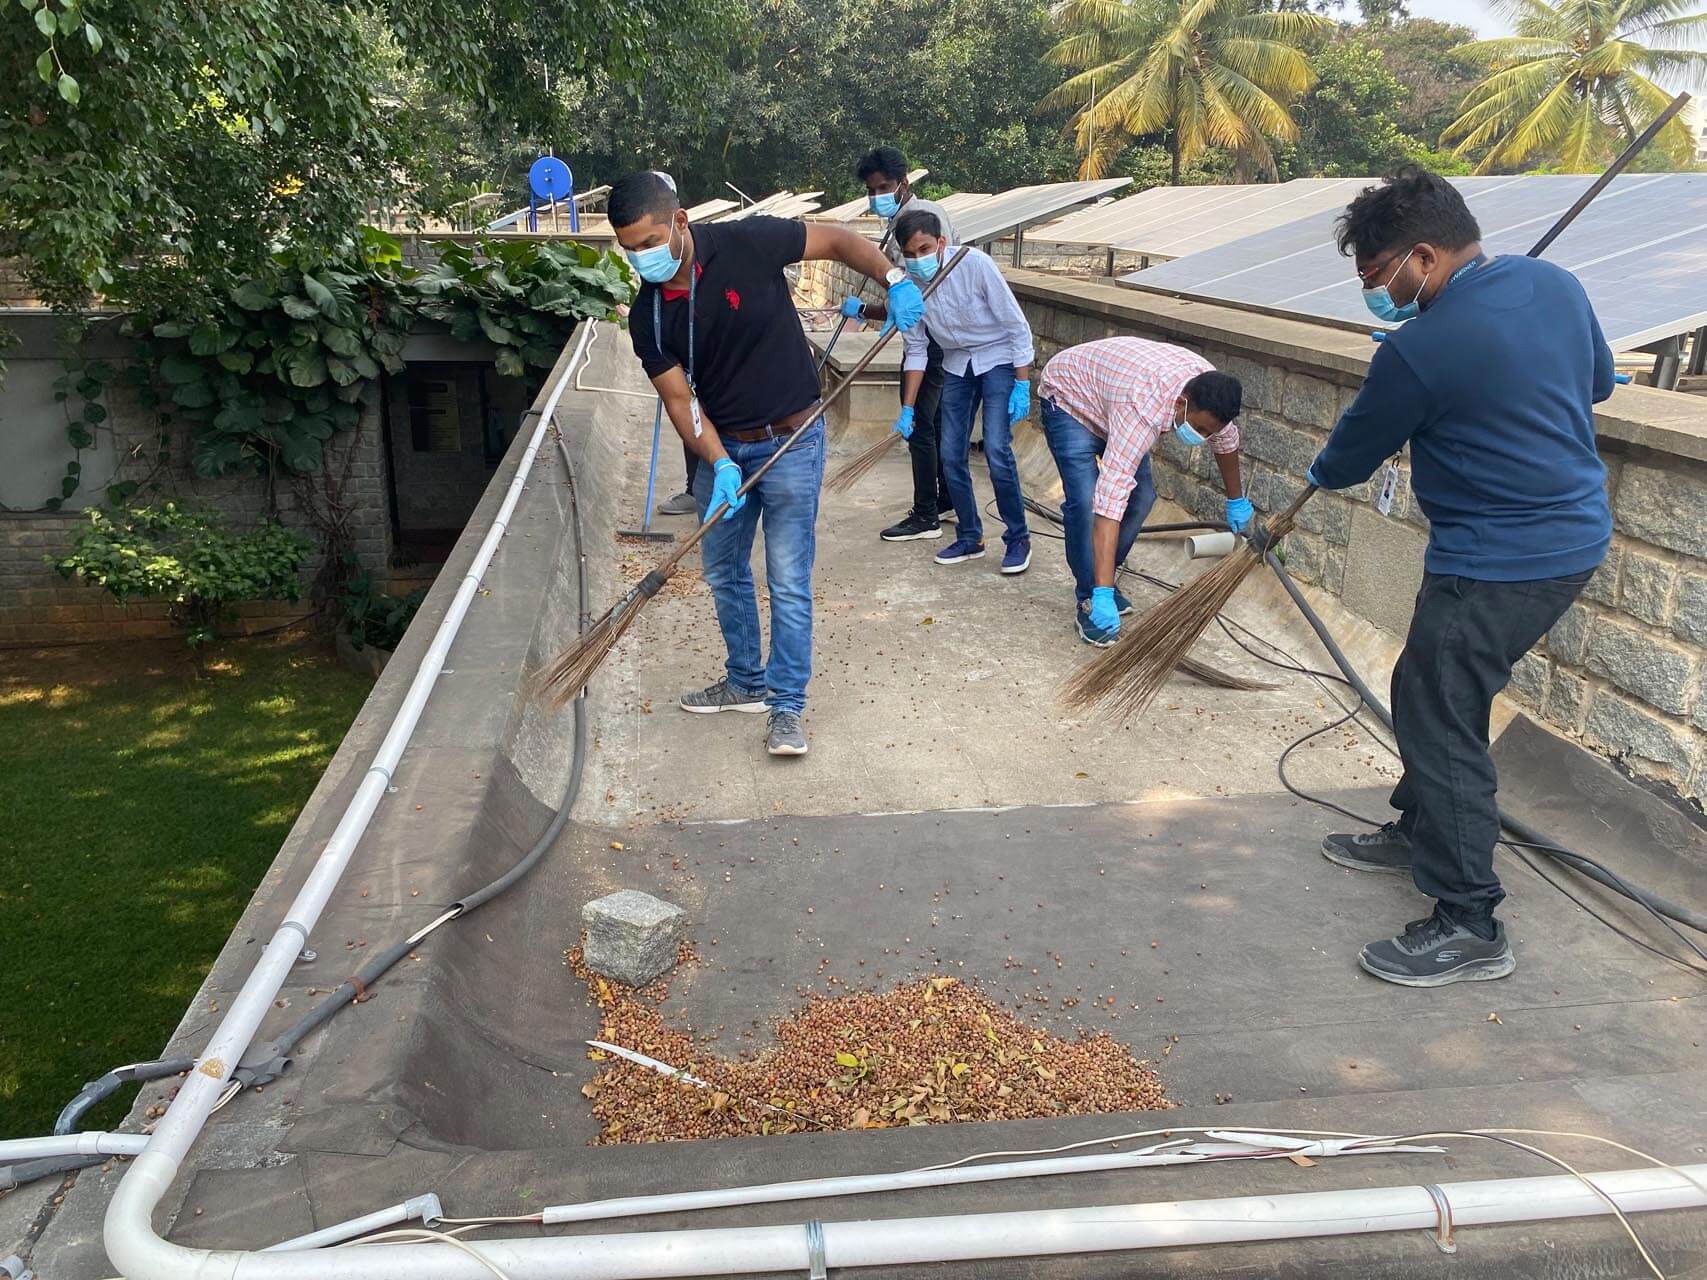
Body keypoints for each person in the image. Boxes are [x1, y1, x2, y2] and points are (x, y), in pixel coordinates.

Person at [1307, 166, 1615, 988]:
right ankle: (1419, 829)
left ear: (1420, 256)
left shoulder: (1417, 353)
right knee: (1427, 685)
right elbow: (1595, 384)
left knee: (1440, 712)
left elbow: (1339, 467)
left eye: (1376, 278)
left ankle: (1468, 919)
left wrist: (1409, 371)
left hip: (1497, 561)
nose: (1374, 292)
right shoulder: (1550, 282)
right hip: (1570, 537)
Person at [609, 171, 927, 757]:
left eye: (649, 243)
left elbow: (834, 239)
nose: (642, 259)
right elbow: (683, 403)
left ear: (679, 222)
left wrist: (895, 277)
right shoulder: (648, 318)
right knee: (724, 571)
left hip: (792, 440)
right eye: (630, 250)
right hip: (722, 451)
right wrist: (718, 461)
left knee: (787, 580)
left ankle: (786, 707)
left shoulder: (746, 242)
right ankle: (745, 680)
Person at [1037, 338, 1248, 645]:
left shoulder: (1213, 398)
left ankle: (1101, 577)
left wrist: (1236, 500)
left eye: (1208, 432)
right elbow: (1109, 501)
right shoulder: (1141, 410)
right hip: (1071, 399)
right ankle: (1091, 598)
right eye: (1199, 429)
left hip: (1114, 395)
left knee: (1143, 497)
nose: (1202, 438)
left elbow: (1226, 442)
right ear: (1180, 403)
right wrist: (1103, 593)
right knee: (1085, 503)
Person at [891, 208, 1036, 574]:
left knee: (997, 450)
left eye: (925, 248)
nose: (919, 259)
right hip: (956, 364)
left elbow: (1016, 326)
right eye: (911, 254)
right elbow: (917, 350)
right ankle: (971, 536)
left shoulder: (975, 265)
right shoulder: (910, 287)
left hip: (998, 357)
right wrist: (908, 408)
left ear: (941, 242)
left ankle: (1018, 537)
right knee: (950, 453)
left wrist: (1022, 382)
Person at [839, 146, 959, 542]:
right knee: (935, 422)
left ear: (903, 184)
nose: (877, 197)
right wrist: (868, 312)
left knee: (920, 426)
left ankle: (926, 516)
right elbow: (902, 300)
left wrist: (872, 312)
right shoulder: (897, 223)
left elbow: (919, 296)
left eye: (884, 188)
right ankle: (944, 499)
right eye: (871, 190)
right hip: (924, 337)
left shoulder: (921, 221)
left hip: (933, 340)